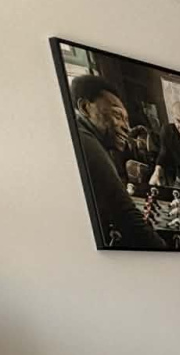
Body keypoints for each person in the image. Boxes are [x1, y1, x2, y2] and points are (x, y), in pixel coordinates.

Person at [69, 74, 164, 250]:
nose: (126, 127)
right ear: (85, 107)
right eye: (117, 115)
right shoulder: (84, 139)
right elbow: (126, 215)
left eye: (127, 120)